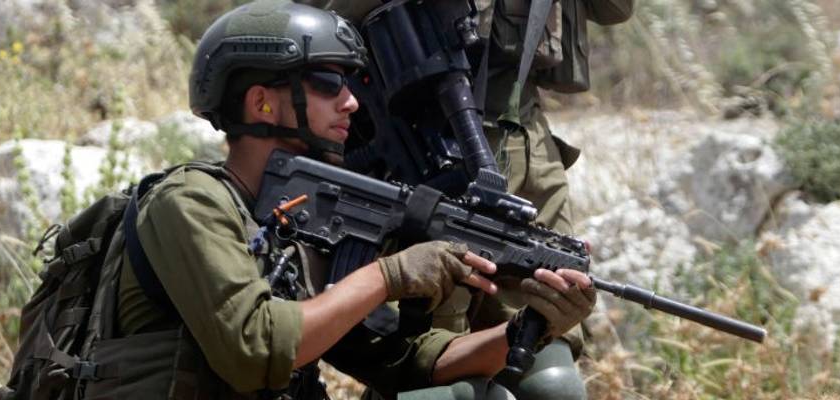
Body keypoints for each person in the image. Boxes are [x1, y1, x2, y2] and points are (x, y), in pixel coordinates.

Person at [93, 1, 597, 398]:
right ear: (261, 102)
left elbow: (408, 363)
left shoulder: (294, 226)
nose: (352, 101)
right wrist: (387, 276)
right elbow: (256, 349)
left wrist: (535, 326)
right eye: (330, 82)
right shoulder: (188, 203)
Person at [294, 0, 634, 398]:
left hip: (526, 133)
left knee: (548, 381)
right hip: (427, 131)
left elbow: (614, 10)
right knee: (430, 372)